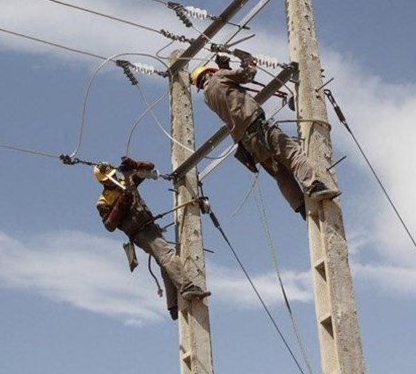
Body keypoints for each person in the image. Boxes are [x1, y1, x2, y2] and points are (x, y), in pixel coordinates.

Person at [191, 54, 340, 220]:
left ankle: (302, 208)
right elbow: (246, 75)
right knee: (293, 155)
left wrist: (224, 68)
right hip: (259, 128)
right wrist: (248, 62)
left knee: (281, 174)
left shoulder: (208, 98)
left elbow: (227, 90)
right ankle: (314, 187)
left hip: (249, 145)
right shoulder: (219, 77)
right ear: (210, 73)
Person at [94, 157, 210, 320]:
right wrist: (123, 202)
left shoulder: (125, 181)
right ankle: (187, 287)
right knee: (167, 255)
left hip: (149, 227)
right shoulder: (104, 200)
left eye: (113, 175)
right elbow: (109, 225)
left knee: (163, 262)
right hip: (140, 233)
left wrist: (135, 165)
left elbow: (148, 168)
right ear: (102, 182)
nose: (112, 179)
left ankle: (173, 304)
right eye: (108, 179)